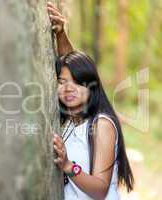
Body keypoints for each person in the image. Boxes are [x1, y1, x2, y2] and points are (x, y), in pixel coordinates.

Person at [46, 2, 134, 200]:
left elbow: (100, 189)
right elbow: (70, 68)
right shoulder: (69, 120)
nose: (68, 87)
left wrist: (68, 166)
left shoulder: (101, 124)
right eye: (61, 82)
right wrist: (60, 34)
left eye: (78, 82)